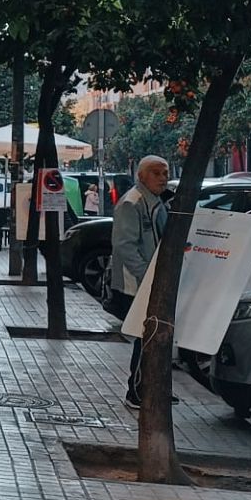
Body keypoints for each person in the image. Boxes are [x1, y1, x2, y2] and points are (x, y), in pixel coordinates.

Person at [110, 155, 172, 408]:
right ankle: (136, 391)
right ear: (141, 176)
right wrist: (148, 276)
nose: (163, 178)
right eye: (156, 173)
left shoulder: (156, 201)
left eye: (165, 173)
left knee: (155, 336)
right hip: (135, 284)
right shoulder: (132, 202)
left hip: (152, 281)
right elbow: (124, 246)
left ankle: (154, 388)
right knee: (144, 337)